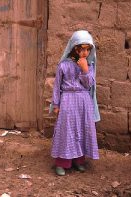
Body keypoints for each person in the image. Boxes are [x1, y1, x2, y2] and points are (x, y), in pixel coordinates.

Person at [50, 30, 100, 176]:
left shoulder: (89, 66)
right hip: (67, 101)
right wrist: (56, 104)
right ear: (74, 47)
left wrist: (84, 69)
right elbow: (57, 86)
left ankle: (79, 161)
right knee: (66, 131)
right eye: (81, 49)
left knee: (82, 130)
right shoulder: (63, 65)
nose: (85, 52)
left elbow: (89, 85)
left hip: (83, 102)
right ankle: (62, 163)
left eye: (87, 49)